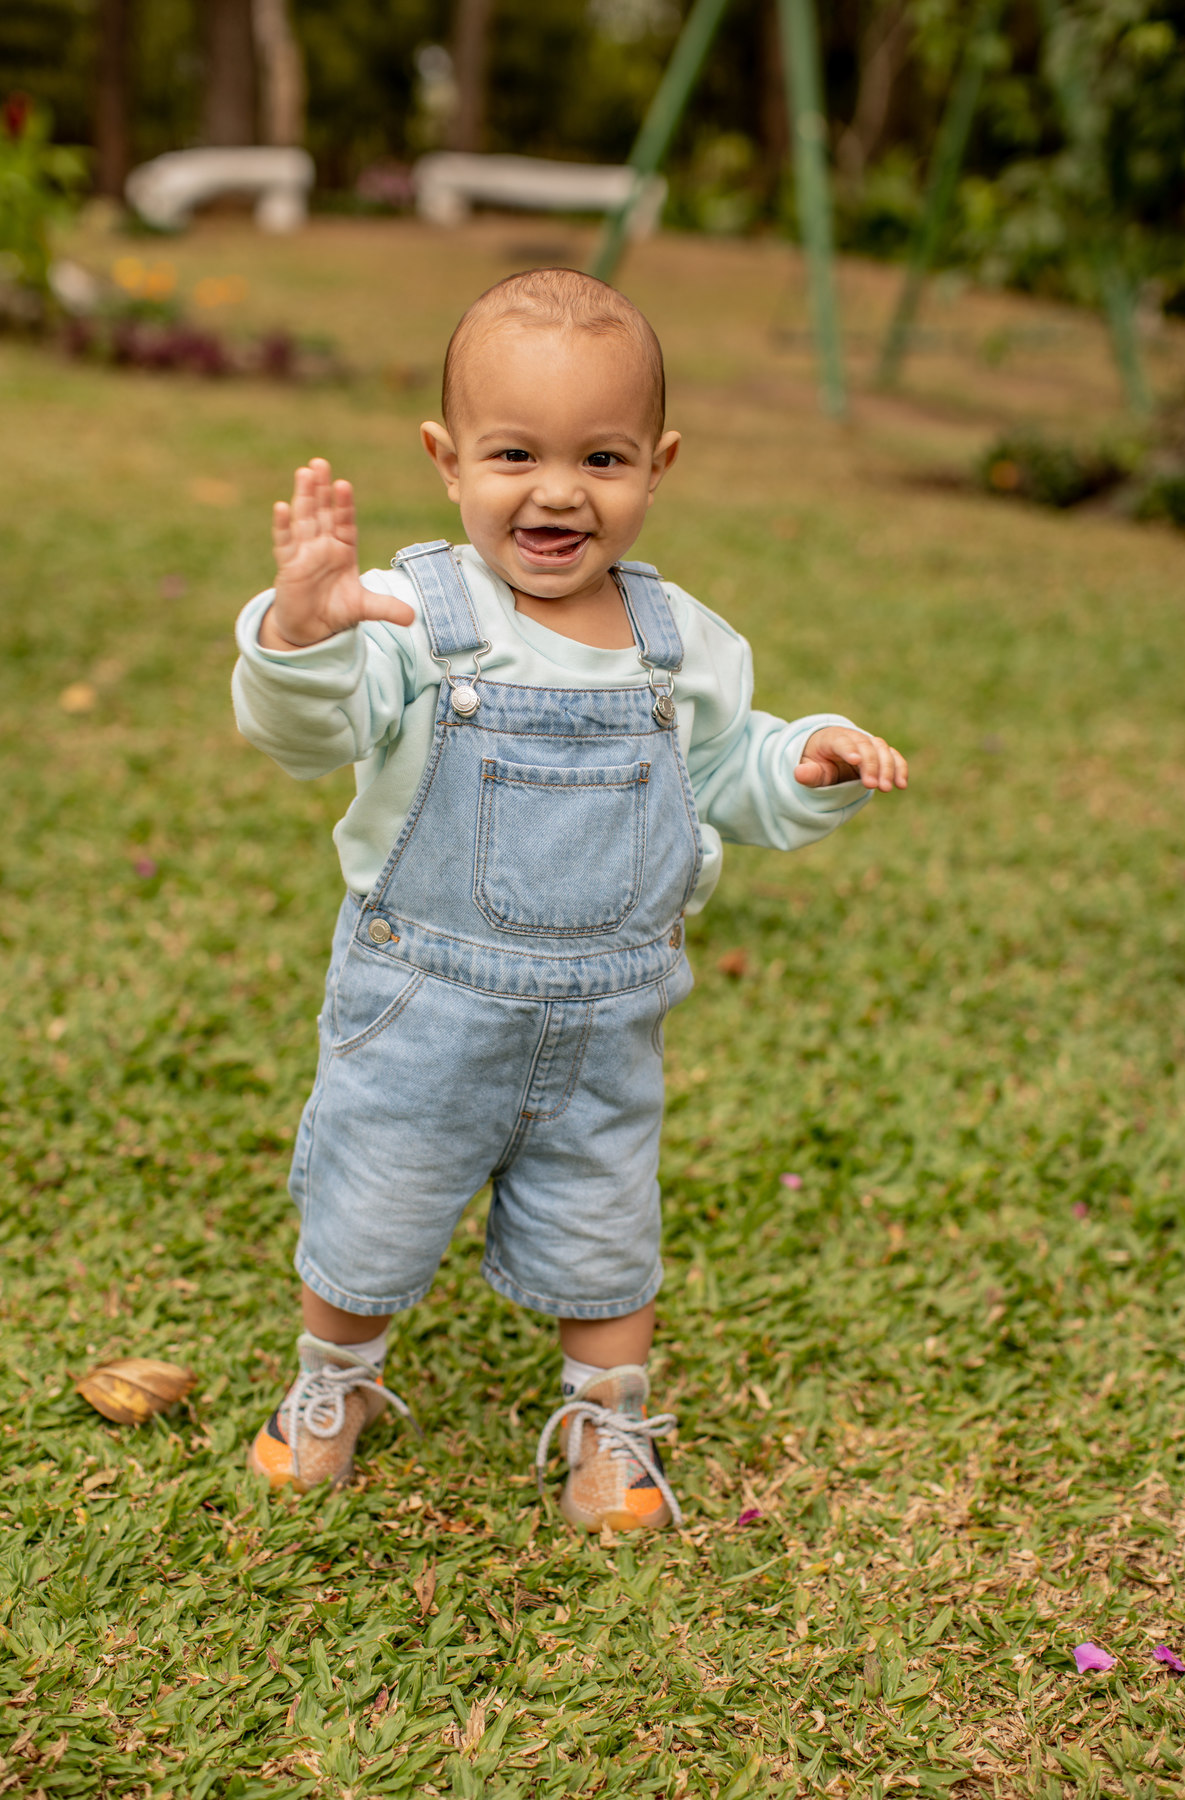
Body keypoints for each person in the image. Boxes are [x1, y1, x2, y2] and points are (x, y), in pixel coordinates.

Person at [232, 268, 907, 1533]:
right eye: (512, 453)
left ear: (659, 464)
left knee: (607, 1227)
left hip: (607, 1027)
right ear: (445, 458)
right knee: (374, 1203)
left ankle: (608, 1417)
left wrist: (805, 757)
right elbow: (310, 733)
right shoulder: (407, 617)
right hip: (422, 1009)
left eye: (602, 456)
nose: (557, 490)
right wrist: (301, 633)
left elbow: (727, 770)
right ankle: (337, 1382)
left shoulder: (683, 643)